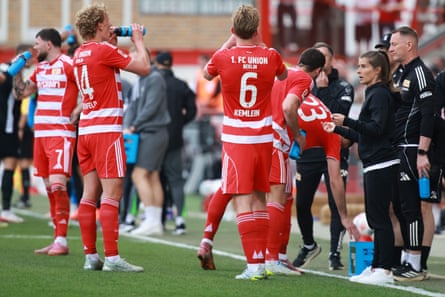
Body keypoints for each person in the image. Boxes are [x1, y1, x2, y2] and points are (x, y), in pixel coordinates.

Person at [202, 4, 288, 280]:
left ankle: (253, 266)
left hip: (237, 137)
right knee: (260, 198)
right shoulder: (271, 55)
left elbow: (206, 73)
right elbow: (283, 75)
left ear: (233, 29)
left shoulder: (222, 57)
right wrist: (260, 46)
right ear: (257, 29)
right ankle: (261, 261)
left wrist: (230, 42)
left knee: (241, 200)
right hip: (263, 137)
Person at [73, 3, 150, 272]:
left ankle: (90, 256)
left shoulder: (79, 53)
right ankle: (113, 258)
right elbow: (144, 68)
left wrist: (114, 45)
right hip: (106, 131)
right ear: (98, 27)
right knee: (112, 194)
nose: (111, 25)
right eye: (107, 22)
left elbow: (104, 74)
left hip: (86, 131)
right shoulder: (104, 50)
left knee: (89, 193)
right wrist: (137, 40)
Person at [325, 50, 400, 285]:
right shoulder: (373, 92)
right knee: (375, 217)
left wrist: (346, 121)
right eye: (358, 66)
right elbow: (362, 132)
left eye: (364, 66)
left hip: (383, 162)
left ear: (377, 70)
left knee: (380, 219)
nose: (359, 70)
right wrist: (336, 128)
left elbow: (376, 129)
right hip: (375, 162)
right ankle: (377, 265)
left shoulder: (379, 94)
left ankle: (384, 269)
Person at [13, 29, 78, 256]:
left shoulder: (70, 64)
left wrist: (78, 110)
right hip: (40, 134)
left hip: (60, 133)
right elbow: (21, 94)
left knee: (59, 185)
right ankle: (58, 238)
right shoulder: (40, 68)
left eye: (37, 43)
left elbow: (89, 89)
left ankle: (62, 240)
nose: (35, 47)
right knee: (50, 188)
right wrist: (17, 72)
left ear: (49, 44)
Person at [293, 42, 354, 270]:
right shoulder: (301, 83)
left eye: (324, 57)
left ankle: (335, 253)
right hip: (308, 152)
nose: (320, 61)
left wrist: (323, 89)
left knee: (335, 201)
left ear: (331, 61)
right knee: (302, 203)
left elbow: (333, 119)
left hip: (333, 148)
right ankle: (308, 244)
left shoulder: (344, 87)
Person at [265, 48, 326, 276]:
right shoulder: (303, 79)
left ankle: (279, 256)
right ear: (318, 70)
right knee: (278, 196)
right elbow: (288, 107)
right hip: (276, 140)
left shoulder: (282, 74)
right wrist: (298, 134)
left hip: (267, 137)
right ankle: (271, 258)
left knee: (287, 196)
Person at [388, 26, 437, 281]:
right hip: (400, 148)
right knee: (399, 206)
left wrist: (422, 151)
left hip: (411, 149)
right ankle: (408, 259)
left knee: (411, 208)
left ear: (409, 45)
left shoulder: (420, 73)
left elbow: (428, 114)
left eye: (395, 44)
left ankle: (416, 265)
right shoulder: (401, 73)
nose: (391, 47)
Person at [125, 49, 170, 237]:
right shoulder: (142, 79)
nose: (129, 60)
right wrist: (127, 125)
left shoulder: (154, 78)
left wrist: (134, 126)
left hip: (153, 132)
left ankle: (151, 220)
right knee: (152, 176)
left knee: (138, 175)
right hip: (149, 131)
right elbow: (134, 106)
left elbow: (151, 107)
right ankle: (154, 220)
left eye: (133, 56)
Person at [155, 51, 197, 235]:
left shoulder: (153, 83)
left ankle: (158, 218)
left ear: (157, 63)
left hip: (155, 137)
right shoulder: (181, 85)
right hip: (175, 137)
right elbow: (192, 111)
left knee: (155, 179)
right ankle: (179, 219)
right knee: (176, 180)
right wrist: (179, 123)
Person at [0, 48, 25, 224]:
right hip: (6, 128)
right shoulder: (6, 70)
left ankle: (7, 209)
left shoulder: (19, 77)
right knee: (9, 166)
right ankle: (6, 209)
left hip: (11, 127)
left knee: (10, 167)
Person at [14, 44, 35, 210]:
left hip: (27, 124)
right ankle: (24, 195)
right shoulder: (18, 73)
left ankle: (25, 196)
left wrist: (21, 126)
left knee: (24, 161)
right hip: (23, 123)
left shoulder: (31, 73)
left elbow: (26, 103)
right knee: (22, 162)